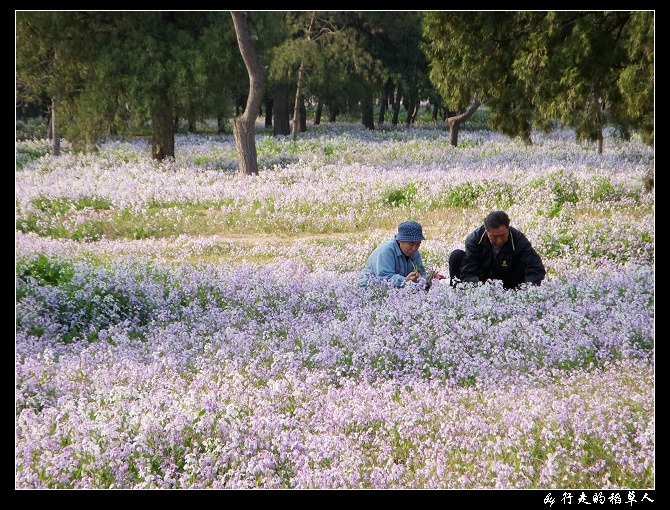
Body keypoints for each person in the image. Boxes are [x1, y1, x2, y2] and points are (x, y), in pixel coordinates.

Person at [449, 210, 546, 290]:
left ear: (508, 228)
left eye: (503, 235)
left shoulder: (518, 239)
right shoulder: (474, 239)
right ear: (486, 231)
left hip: (509, 281)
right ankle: (455, 293)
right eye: (494, 237)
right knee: (456, 255)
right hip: (483, 282)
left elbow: (535, 267)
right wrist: (479, 290)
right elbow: (470, 270)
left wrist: (527, 290)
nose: (499, 241)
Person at [359, 221, 428, 288]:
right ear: (400, 240)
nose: (414, 248)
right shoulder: (386, 251)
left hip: (397, 291)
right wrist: (405, 281)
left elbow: (421, 274)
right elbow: (385, 278)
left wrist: (429, 279)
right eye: (411, 244)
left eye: (418, 244)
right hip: (371, 289)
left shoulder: (415, 253)